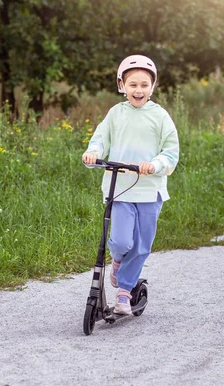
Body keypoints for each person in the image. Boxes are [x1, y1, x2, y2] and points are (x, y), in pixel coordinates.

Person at [82, 55, 179, 315]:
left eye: (144, 85)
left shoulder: (160, 116)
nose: (138, 90)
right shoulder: (116, 113)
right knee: (123, 241)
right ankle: (118, 261)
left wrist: (155, 165)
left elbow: (171, 152)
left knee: (141, 245)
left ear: (152, 86)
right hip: (121, 188)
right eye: (133, 84)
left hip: (150, 190)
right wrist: (93, 153)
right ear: (122, 85)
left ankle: (124, 292)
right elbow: (100, 139)